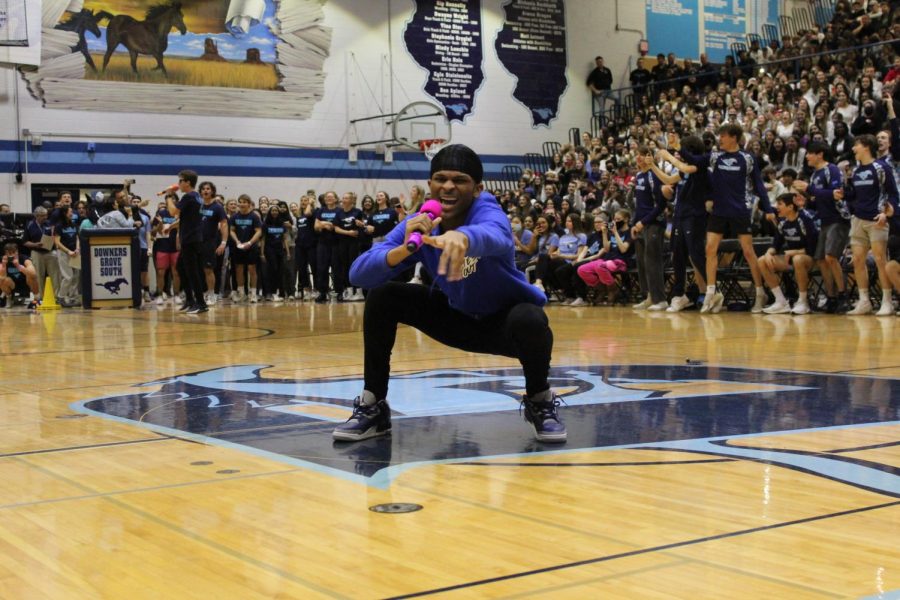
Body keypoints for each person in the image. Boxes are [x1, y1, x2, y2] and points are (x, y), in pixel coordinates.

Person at [335, 144, 565, 443]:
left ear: (477, 188)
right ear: (430, 184)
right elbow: (358, 274)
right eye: (440, 178)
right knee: (383, 296)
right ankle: (373, 405)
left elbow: (495, 234)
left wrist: (464, 236)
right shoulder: (420, 222)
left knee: (530, 318)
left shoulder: (487, 210)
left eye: (460, 180)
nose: (448, 186)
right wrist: (404, 248)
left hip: (504, 325)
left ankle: (539, 399)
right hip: (456, 318)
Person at [675, 123, 777, 313]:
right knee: (710, 249)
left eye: (723, 136)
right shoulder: (715, 157)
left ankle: (760, 292)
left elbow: (759, 185)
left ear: (734, 138)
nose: (719, 139)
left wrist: (768, 208)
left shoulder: (748, 159)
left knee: (748, 252)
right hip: (719, 211)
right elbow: (694, 160)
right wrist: (677, 148)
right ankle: (711, 294)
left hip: (740, 210)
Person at [835, 134, 899, 315]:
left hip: (876, 220)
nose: (853, 149)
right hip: (858, 219)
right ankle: (864, 301)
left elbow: (893, 193)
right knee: (857, 260)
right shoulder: (855, 170)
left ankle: (887, 301)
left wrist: (886, 213)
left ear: (866, 147)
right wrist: (843, 194)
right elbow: (854, 194)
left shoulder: (882, 167)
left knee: (880, 260)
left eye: (856, 145)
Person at [794, 141, 851, 312]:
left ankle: (843, 296)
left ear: (820, 154)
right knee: (820, 259)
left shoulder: (832, 170)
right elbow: (819, 199)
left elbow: (836, 195)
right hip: (824, 220)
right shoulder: (814, 175)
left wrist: (809, 188)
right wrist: (805, 201)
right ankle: (831, 296)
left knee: (830, 257)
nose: (807, 157)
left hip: (838, 218)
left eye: (810, 153)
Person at [758, 193, 819, 314]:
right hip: (792, 259)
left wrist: (795, 252)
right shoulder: (782, 222)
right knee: (762, 261)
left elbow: (813, 248)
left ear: (791, 207)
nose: (776, 207)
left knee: (798, 259)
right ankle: (781, 301)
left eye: (780, 204)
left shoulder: (805, 219)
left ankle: (803, 302)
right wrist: (768, 253)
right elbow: (776, 245)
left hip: (812, 259)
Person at [630, 146, 668, 311]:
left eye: (640, 155)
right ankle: (649, 296)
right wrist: (635, 224)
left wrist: (643, 222)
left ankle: (660, 299)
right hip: (640, 224)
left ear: (649, 157)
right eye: (636, 155)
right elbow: (639, 205)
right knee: (642, 262)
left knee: (653, 261)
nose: (637, 158)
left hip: (654, 223)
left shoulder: (655, 175)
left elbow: (661, 205)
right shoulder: (638, 176)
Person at [166, 170, 208, 314]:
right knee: (181, 269)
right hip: (192, 239)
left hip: (191, 240)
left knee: (192, 272)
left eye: (180, 181)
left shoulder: (189, 197)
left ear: (188, 182)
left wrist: (168, 196)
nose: (179, 184)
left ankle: (201, 304)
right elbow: (189, 218)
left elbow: (172, 212)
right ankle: (190, 300)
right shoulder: (197, 197)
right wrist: (172, 226)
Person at [198, 182, 228, 306]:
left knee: (208, 269)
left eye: (208, 189)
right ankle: (201, 293)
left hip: (210, 242)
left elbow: (224, 225)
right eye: (203, 189)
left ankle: (211, 294)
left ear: (212, 191)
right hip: (196, 241)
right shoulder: (197, 206)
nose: (205, 191)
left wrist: (223, 242)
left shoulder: (217, 207)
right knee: (197, 270)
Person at [229, 194, 263, 303]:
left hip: (251, 247)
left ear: (249, 203)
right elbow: (232, 230)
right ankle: (241, 293)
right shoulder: (235, 216)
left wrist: (250, 242)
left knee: (252, 270)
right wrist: (237, 241)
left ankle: (253, 294)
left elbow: (259, 231)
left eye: (244, 202)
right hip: (238, 247)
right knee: (239, 269)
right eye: (240, 202)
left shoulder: (254, 216)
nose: (242, 204)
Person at [152, 196, 180, 305]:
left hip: (175, 247)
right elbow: (153, 233)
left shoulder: (179, 213)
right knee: (160, 273)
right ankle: (160, 294)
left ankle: (176, 295)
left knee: (176, 273)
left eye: (172, 200)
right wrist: (159, 224)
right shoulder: (161, 213)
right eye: (168, 201)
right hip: (162, 246)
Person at [52, 205, 81, 307]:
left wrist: (77, 249)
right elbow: (57, 242)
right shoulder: (59, 226)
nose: (72, 213)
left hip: (75, 253)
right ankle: (61, 297)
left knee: (76, 277)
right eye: (70, 212)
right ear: (65, 213)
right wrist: (68, 251)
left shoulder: (73, 224)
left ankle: (73, 298)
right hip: (64, 253)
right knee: (68, 277)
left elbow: (77, 238)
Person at [260, 205, 288, 301]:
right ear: (270, 212)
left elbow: (284, 239)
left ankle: (279, 292)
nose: (275, 212)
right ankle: (270, 293)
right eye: (273, 210)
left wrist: (288, 253)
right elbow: (263, 239)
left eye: (276, 210)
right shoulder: (265, 224)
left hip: (279, 250)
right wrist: (262, 253)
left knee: (280, 272)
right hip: (269, 250)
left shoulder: (282, 224)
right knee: (272, 270)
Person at [0, 242, 38, 309]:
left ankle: (35, 299)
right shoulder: (3, 260)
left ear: (17, 251)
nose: (12, 255)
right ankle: (8, 299)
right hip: (13, 285)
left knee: (32, 276)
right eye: (9, 253)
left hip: (27, 284)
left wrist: (19, 266)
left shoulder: (24, 258)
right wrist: (3, 266)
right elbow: (2, 278)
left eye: (14, 252)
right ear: (6, 253)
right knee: (2, 279)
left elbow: (33, 273)